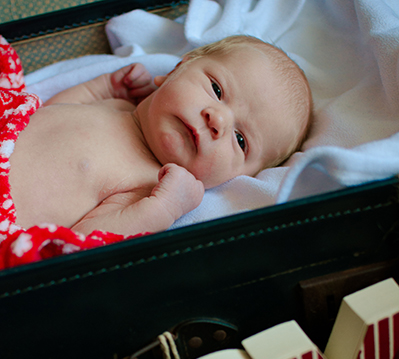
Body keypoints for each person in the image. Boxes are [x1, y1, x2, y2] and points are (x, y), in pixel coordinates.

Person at [5, 34, 313, 240]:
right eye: (217, 90)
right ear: (177, 68)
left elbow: (87, 239)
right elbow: (47, 112)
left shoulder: (148, 186)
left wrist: (165, 209)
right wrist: (101, 88)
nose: (218, 120)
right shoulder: (117, 107)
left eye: (241, 140)